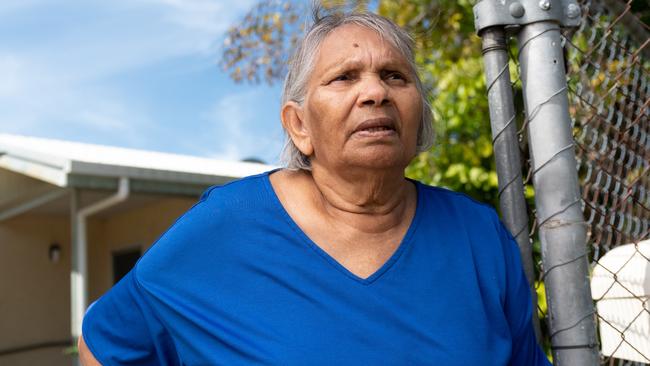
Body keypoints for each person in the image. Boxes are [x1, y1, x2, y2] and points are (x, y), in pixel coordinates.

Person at [79, 10, 551, 366]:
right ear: (299, 125)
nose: (375, 93)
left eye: (395, 76)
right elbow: (103, 344)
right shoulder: (229, 224)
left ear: (418, 114)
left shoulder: (476, 235)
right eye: (344, 77)